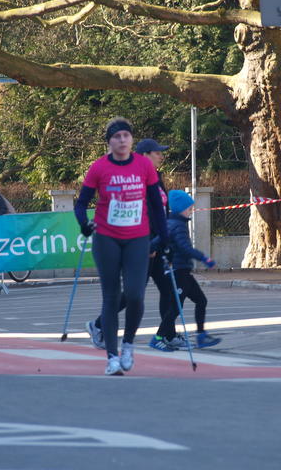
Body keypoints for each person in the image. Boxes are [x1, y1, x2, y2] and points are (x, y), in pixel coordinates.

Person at [74, 117, 168, 376]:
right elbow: (81, 204)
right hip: (107, 238)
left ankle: (128, 345)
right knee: (112, 296)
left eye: (126, 135)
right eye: (117, 136)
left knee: (136, 295)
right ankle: (112, 357)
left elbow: (156, 204)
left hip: (137, 238)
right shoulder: (99, 168)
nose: (122, 140)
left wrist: (165, 237)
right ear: (109, 142)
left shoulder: (143, 166)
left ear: (131, 139)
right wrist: (84, 224)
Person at [85, 138, 182, 351]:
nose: (161, 156)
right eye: (157, 152)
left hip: (157, 244)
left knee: (169, 290)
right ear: (145, 155)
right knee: (132, 296)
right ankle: (98, 325)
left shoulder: (155, 178)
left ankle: (167, 334)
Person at [153, 190, 221, 349]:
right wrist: (204, 258)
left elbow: (156, 241)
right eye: (189, 208)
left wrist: (149, 249)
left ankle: (201, 335)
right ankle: (157, 338)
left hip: (183, 271)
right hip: (178, 272)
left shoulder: (171, 223)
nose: (191, 211)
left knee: (201, 300)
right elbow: (185, 248)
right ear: (180, 209)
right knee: (175, 308)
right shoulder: (178, 226)